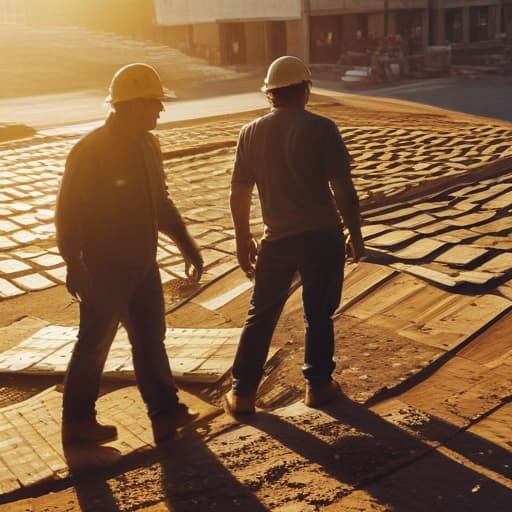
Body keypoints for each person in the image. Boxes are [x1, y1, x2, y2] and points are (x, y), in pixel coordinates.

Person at [55, 63, 203, 444]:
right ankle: (77, 423)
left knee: (151, 338)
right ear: (132, 105)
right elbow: (67, 211)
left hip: (142, 264)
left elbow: (161, 201)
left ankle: (164, 408)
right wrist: (74, 263)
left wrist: (186, 243)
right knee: (94, 342)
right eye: (155, 103)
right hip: (103, 267)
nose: (161, 110)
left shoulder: (148, 145)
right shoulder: (91, 151)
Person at [223, 56, 365, 415]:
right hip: (322, 237)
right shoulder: (322, 128)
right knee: (318, 315)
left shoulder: (249, 133)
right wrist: (356, 234)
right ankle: (318, 387)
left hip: (277, 241)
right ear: (305, 89)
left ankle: (242, 395)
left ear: (270, 94)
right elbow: (343, 190)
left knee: (261, 316)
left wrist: (242, 240)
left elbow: (239, 192)